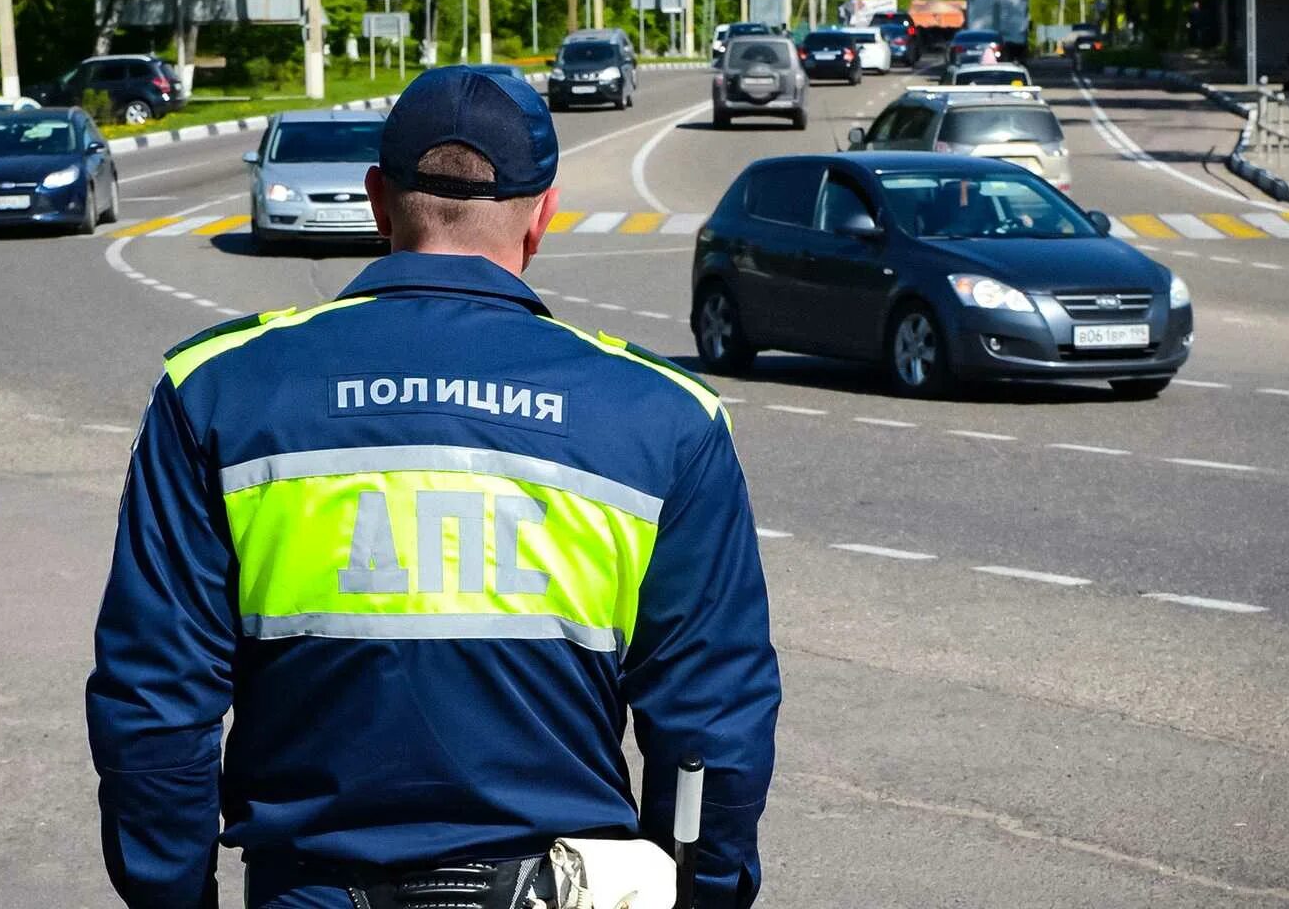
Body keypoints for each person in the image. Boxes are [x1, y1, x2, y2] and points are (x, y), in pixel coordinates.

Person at [86, 65, 781, 909]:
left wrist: (171, 897)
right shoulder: (663, 415)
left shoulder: (218, 390)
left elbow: (156, 702)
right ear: (545, 215)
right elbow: (711, 721)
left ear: (379, 199)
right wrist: (702, 892)